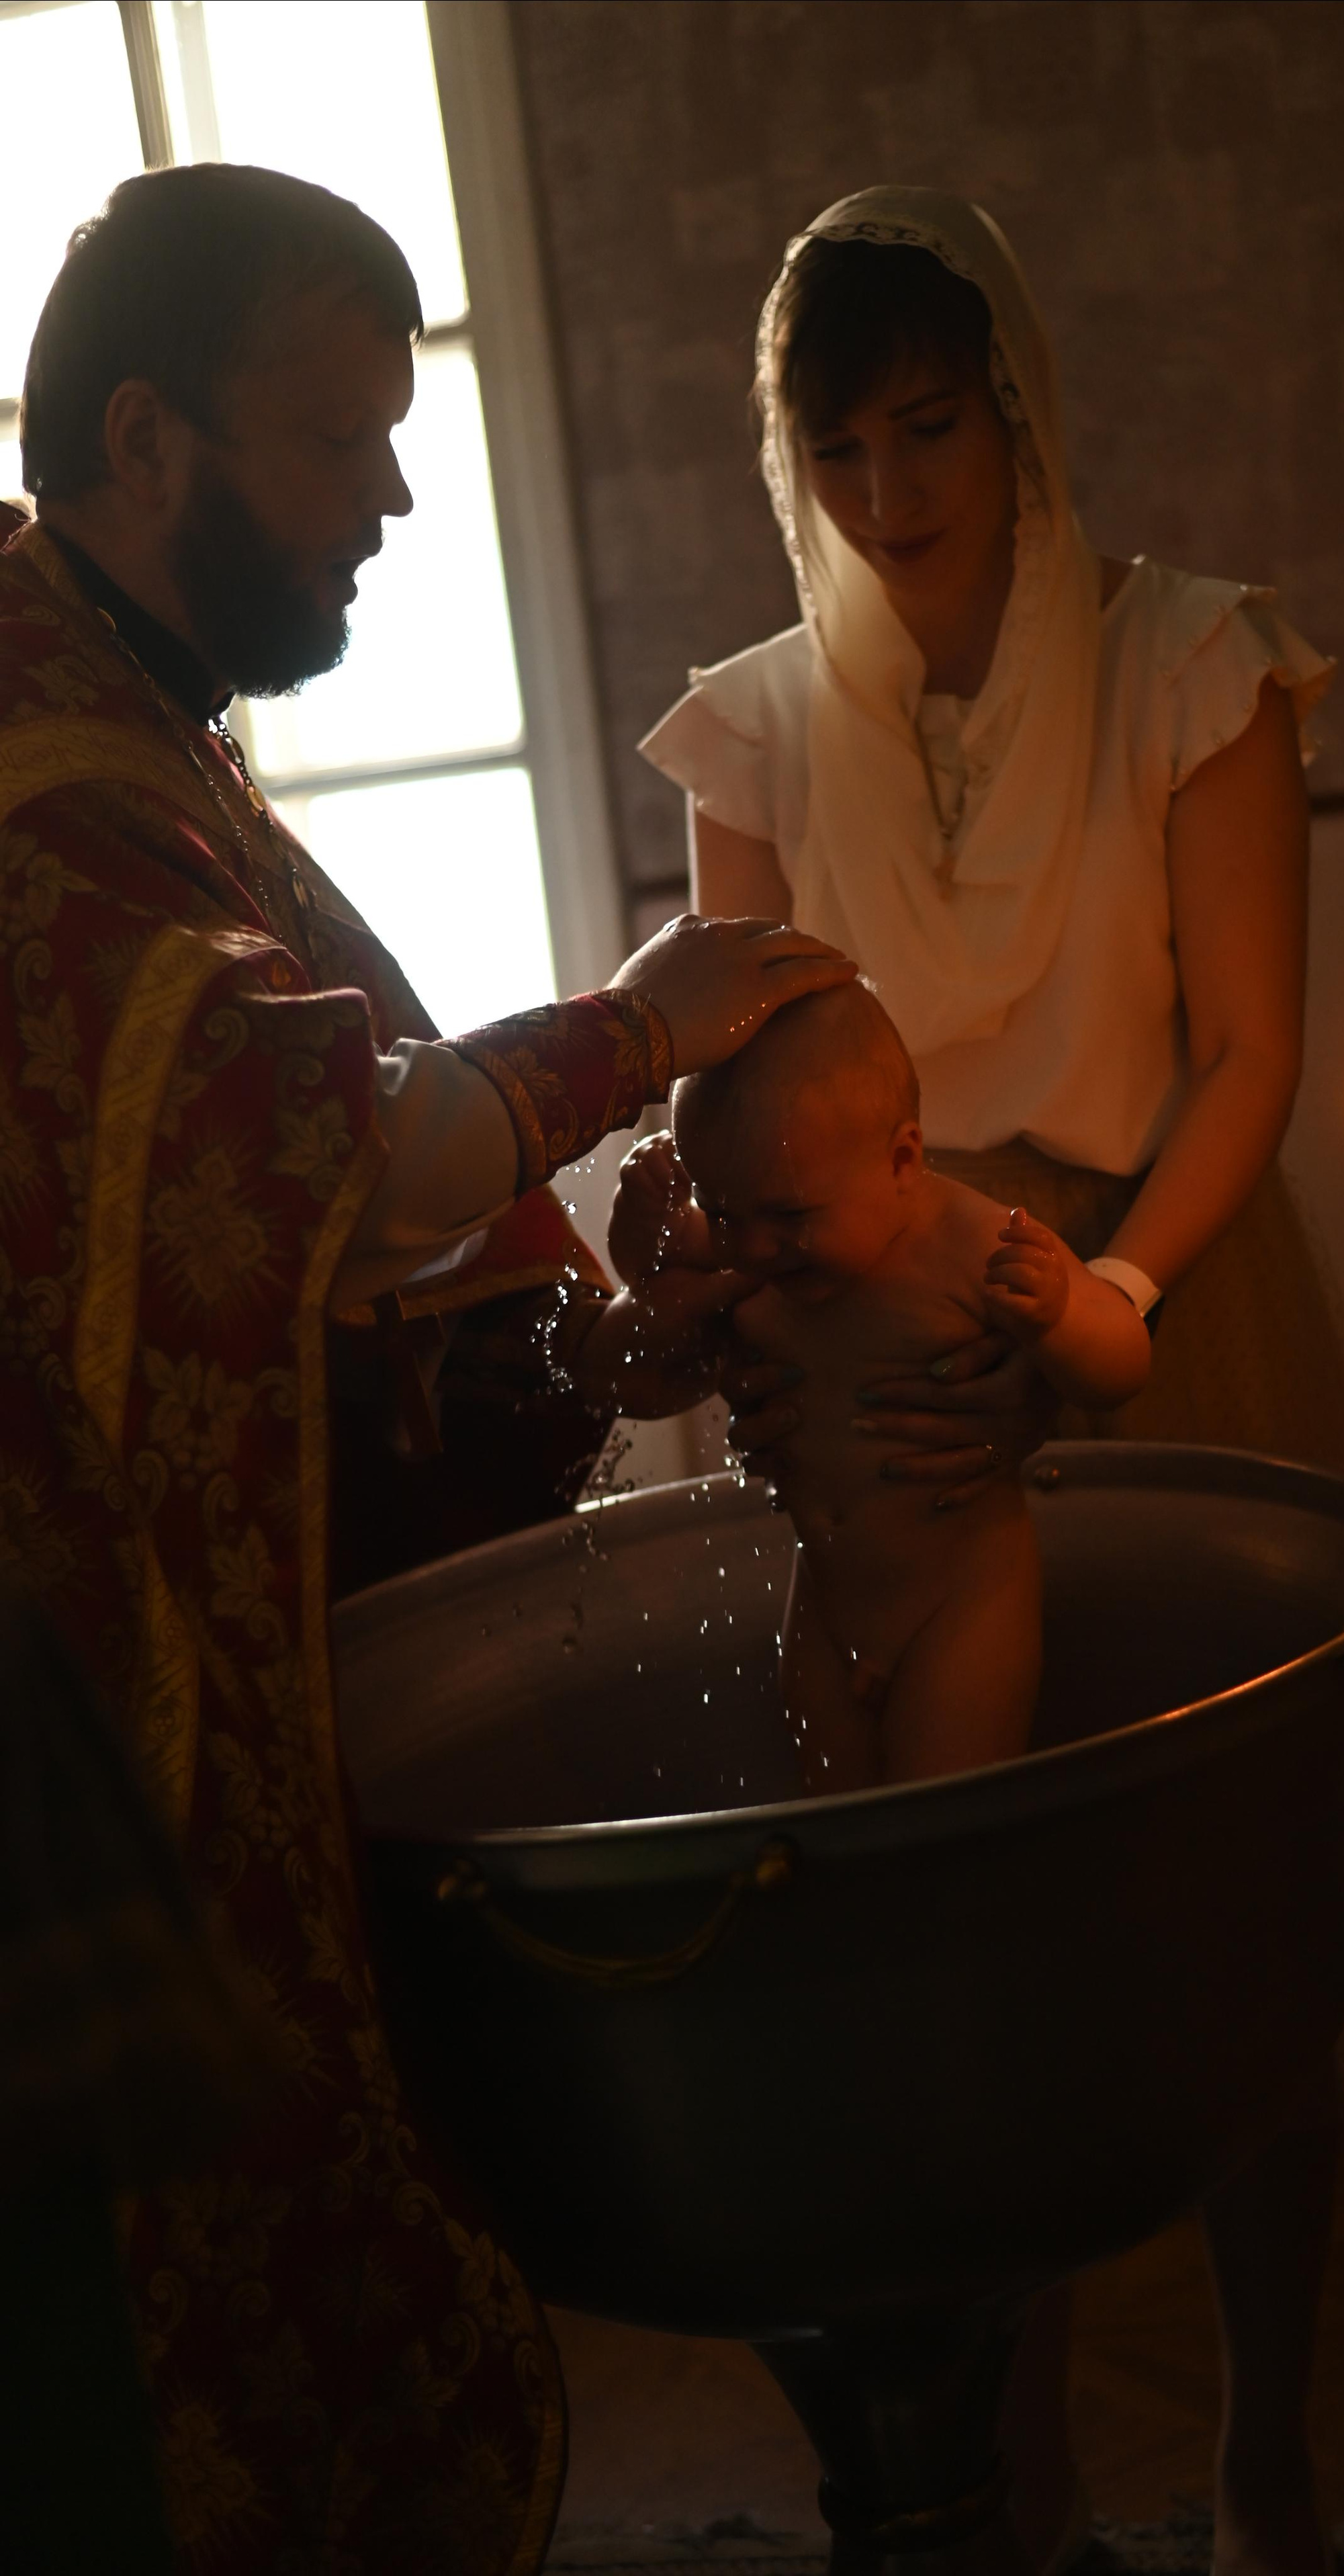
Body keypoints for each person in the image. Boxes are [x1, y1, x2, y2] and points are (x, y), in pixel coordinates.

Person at [0, 163, 858, 2575]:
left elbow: (311, 1289)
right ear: (150, 441)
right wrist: (642, 1022)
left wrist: (592, 1340)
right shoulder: (42, 768)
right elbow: (311, 1155)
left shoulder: (139, 728)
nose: (392, 491)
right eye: (338, 437)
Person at [639, 185, 1344, 2576]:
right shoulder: (754, 720)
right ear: (789, 459)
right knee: (959, 1973)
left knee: (1235, 1925)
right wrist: (772, 1291)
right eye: (843, 447)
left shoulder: (1191, 661)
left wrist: (1082, 1296)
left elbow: (1246, 1050)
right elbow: (733, 1084)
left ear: (1013, 415)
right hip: (869, 1352)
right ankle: (1007, 2491)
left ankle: (1267, 2458)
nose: (892, 496)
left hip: (1148, 1280)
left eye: (932, 430)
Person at [610, 982, 1151, 1789]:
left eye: (788, 1218)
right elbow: (653, 1276)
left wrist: (1059, 1319)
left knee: (942, 1828)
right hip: (825, 1611)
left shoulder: (972, 1242)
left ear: (902, 1161)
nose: (753, 1249)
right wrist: (642, 1218)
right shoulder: (760, 1230)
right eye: (723, 1213)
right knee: (841, 1839)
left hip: (961, 1611)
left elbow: (1123, 1362)